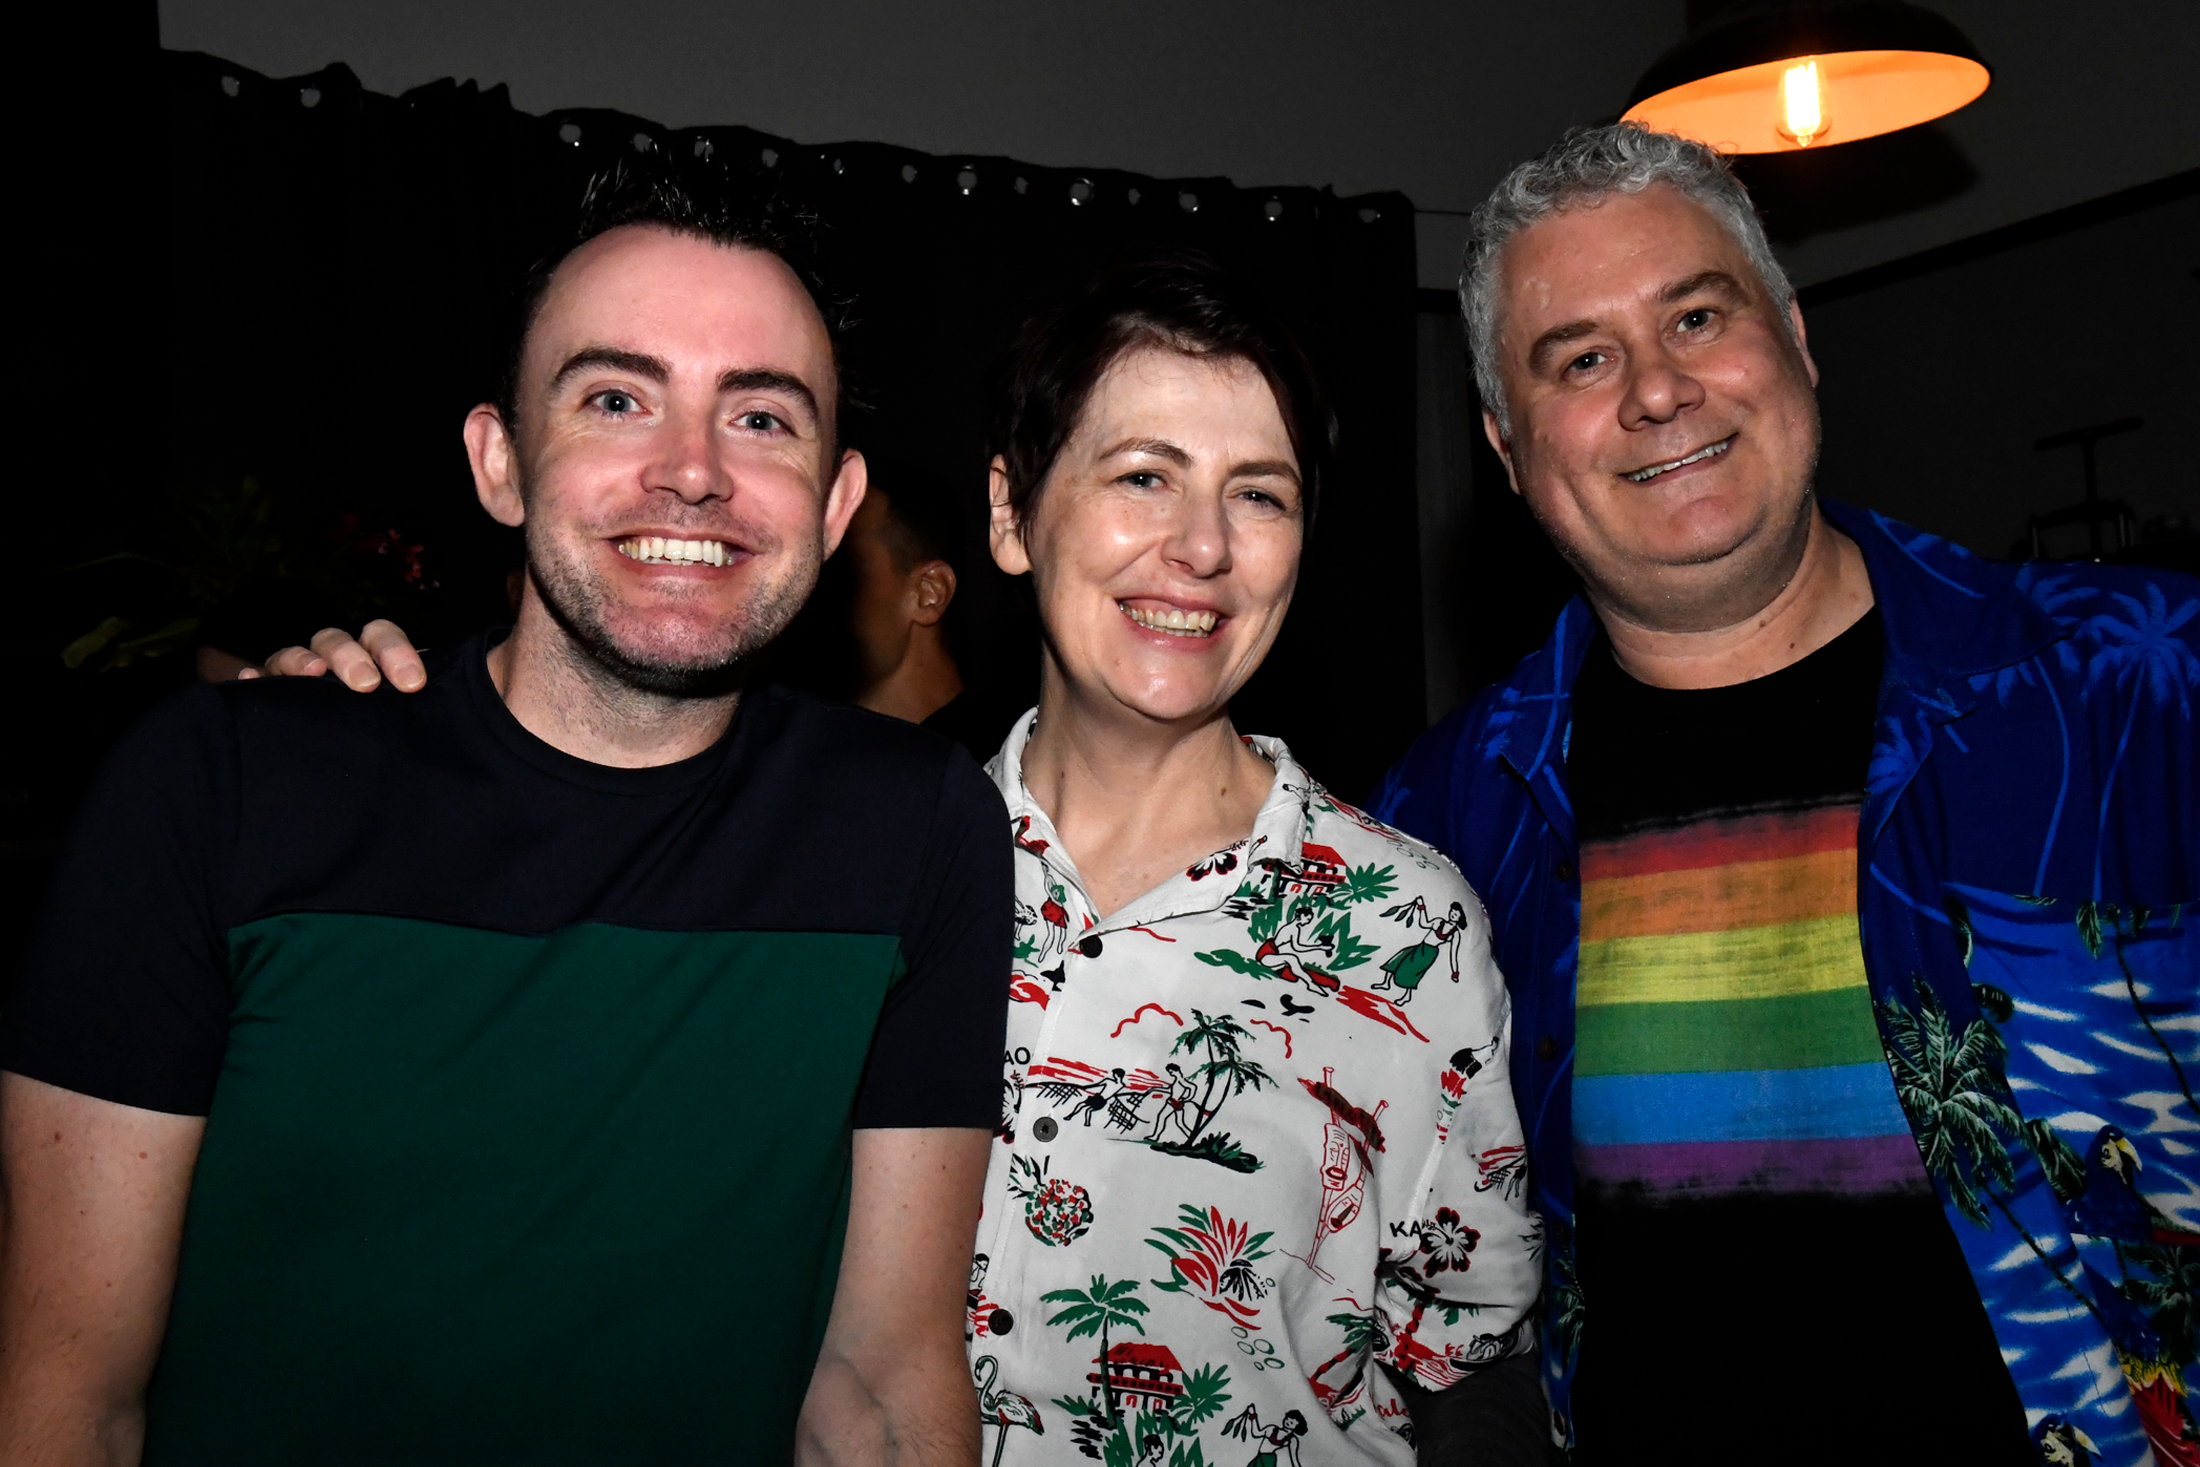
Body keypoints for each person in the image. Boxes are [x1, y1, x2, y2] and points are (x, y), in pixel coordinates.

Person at [252, 255, 1552, 1466]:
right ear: (1010, 512)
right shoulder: (846, 867)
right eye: (1142, 476)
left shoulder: (1403, 921)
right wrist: (365, 737)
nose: (1201, 548)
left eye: (1257, 493)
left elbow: (1472, 1369)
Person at [0, 166, 1008, 1466]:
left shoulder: (916, 826)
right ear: (500, 462)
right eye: (615, 398)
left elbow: (878, 1385)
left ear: (832, 503)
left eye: (760, 417)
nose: (691, 471)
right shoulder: (223, 786)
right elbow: (66, 1403)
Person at [1374, 122, 2200, 1461]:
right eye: (1581, 359)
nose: (1657, 391)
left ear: (1797, 340)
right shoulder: (1443, 825)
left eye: (1697, 316)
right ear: (1508, 449)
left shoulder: (2137, 690)